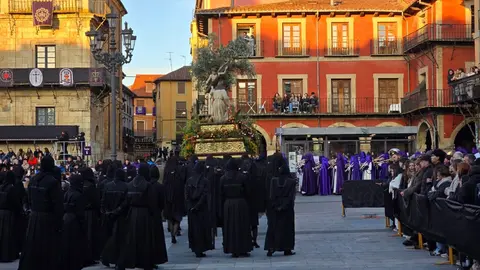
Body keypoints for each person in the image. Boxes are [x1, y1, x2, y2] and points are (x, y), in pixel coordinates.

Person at [18, 155, 63, 270]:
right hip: (48, 218)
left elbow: (28, 198)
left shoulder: (33, 179)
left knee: (32, 245)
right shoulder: (53, 182)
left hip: (34, 217)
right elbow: (57, 204)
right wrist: (59, 222)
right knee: (47, 246)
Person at [118, 164, 156, 270]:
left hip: (132, 213)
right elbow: (152, 202)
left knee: (131, 239)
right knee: (145, 240)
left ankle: (126, 262)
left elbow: (126, 201)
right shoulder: (148, 185)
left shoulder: (130, 184)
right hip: (145, 214)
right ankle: (145, 263)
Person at [220, 158, 252, 257]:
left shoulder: (223, 178)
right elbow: (248, 191)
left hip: (228, 204)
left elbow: (221, 194)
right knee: (242, 226)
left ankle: (232, 249)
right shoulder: (242, 177)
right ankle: (243, 248)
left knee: (230, 227)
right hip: (241, 203)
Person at [264, 162, 296, 257]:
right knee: (287, 229)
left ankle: (271, 248)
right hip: (287, 209)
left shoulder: (273, 181)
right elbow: (291, 197)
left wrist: (275, 205)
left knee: (273, 228)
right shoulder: (291, 182)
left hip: (274, 207)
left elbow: (271, 195)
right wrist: (283, 206)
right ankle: (287, 248)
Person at [101, 168, 128, 268]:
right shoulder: (125, 186)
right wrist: (116, 211)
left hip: (108, 216)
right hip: (120, 216)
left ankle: (107, 257)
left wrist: (106, 212)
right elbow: (125, 203)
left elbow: (103, 201)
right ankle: (118, 261)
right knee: (120, 239)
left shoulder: (107, 186)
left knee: (110, 237)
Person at [185, 161, 214, 257]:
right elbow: (205, 195)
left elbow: (186, 195)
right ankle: (201, 248)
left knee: (194, 229)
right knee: (201, 229)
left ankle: (195, 247)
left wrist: (190, 206)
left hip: (192, 209)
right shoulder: (205, 181)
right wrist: (197, 206)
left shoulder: (189, 180)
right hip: (201, 209)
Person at [60, 174, 87, 270]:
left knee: (67, 243)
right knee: (75, 244)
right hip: (75, 220)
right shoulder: (79, 194)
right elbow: (80, 212)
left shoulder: (67, 192)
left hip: (66, 218)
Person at [79, 167, 101, 266]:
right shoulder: (91, 186)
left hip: (82, 212)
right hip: (91, 213)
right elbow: (96, 201)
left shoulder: (80, 185)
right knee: (90, 235)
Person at [164, 156, 186, 244]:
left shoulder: (166, 170)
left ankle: (171, 231)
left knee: (170, 216)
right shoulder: (179, 170)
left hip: (168, 196)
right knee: (177, 217)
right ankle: (175, 233)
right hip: (177, 196)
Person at [149, 166, 168, 265]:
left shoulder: (147, 185)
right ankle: (157, 259)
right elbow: (162, 203)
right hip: (156, 215)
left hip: (148, 215)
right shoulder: (160, 187)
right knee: (157, 238)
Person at [0, 171, 21, 262]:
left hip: (1, 213)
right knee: (8, 236)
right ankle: (8, 255)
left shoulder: (0, 187)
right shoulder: (11, 188)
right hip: (9, 214)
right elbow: (15, 202)